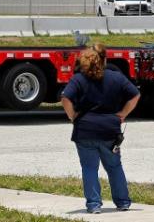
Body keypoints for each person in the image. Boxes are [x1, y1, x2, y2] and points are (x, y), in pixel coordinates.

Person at [61, 48, 141, 213]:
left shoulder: (78, 79)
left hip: (85, 130)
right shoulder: (116, 77)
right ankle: (123, 202)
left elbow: (65, 98)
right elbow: (135, 95)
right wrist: (123, 114)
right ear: (103, 61)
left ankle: (94, 204)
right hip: (110, 130)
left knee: (89, 168)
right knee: (114, 166)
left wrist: (73, 116)